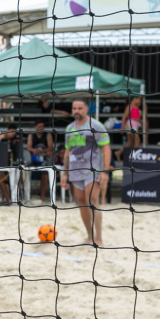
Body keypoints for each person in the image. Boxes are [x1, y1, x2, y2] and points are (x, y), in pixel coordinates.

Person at [60, 99, 112, 246]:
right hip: (75, 170)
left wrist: (105, 171)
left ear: (86, 109)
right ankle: (89, 237)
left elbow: (106, 149)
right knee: (81, 203)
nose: (76, 111)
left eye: (80, 108)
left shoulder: (96, 126)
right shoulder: (69, 128)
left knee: (92, 201)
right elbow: (67, 152)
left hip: (92, 169)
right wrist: (65, 173)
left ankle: (99, 238)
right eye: (74, 108)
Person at [27, 121, 55, 201]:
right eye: (39, 126)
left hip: (45, 158)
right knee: (23, 172)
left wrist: (41, 151)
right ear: (35, 127)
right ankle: (26, 196)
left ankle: (42, 197)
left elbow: (50, 147)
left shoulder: (48, 135)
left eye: (42, 126)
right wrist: (34, 150)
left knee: (45, 175)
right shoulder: (31, 135)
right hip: (34, 158)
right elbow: (28, 148)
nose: (41, 128)